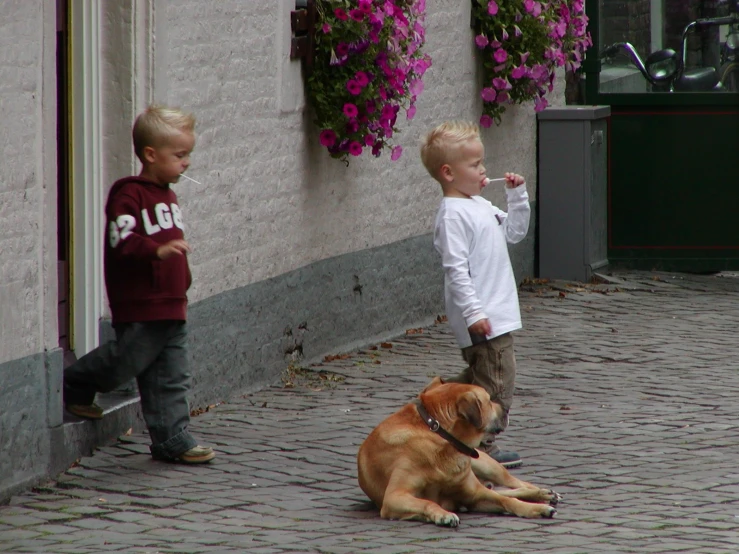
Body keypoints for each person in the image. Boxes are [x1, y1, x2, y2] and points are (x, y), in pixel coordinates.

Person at [63, 105, 215, 465]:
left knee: (171, 375)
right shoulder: (128, 194)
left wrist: (183, 277)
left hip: (172, 303)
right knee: (125, 361)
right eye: (180, 155)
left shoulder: (169, 196)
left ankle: (172, 438)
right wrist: (157, 250)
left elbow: (174, 244)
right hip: (143, 304)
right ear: (151, 154)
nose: (187, 162)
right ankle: (73, 383)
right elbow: (122, 239)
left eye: (188, 154)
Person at [419, 121, 530, 469]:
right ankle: (482, 446)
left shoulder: (479, 204)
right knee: (497, 384)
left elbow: (515, 232)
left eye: (482, 163)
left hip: (497, 312)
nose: (483, 170)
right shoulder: (453, 215)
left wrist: (517, 196)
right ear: (448, 173)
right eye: (475, 165)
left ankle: (432, 407)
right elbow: (456, 272)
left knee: (480, 379)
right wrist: (474, 314)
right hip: (484, 318)